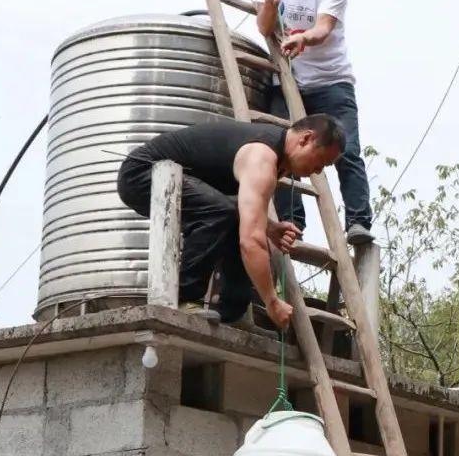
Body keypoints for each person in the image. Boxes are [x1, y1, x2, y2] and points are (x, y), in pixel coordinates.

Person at [117, 114, 345, 328]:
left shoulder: (277, 159)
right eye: (321, 162)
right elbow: (251, 242)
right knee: (220, 212)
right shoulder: (262, 158)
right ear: (306, 139)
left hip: (178, 179)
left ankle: (231, 313)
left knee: (231, 215)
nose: (317, 172)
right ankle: (183, 298)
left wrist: (271, 227)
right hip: (142, 173)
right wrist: (272, 302)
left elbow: (247, 212)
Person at [256, 0, 375, 244]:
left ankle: (358, 222)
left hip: (330, 82)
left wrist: (303, 38)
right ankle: (292, 221)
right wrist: (268, 5)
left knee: (346, 149)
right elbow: (265, 27)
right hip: (287, 81)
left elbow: (323, 28)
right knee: (283, 148)